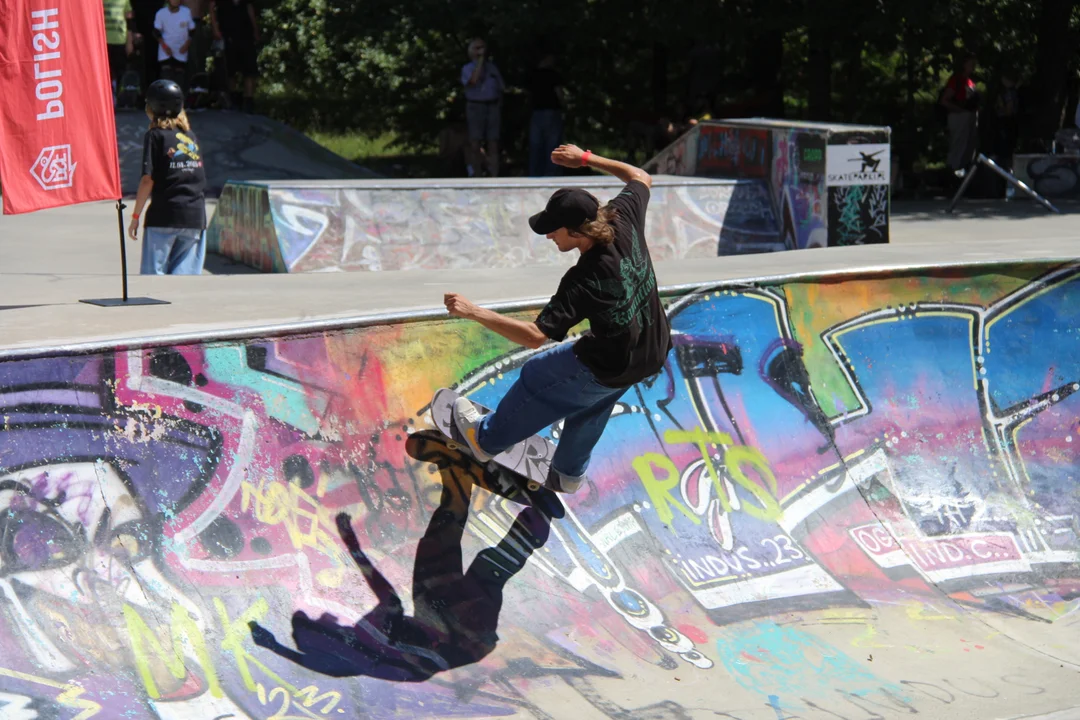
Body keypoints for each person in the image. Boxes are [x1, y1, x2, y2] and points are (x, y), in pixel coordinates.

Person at [444, 145, 669, 493]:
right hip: (650, 351)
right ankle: (568, 473)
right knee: (593, 401)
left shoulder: (583, 280)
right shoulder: (622, 216)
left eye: (554, 231)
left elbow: (535, 336)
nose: (549, 236)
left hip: (610, 362)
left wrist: (474, 312)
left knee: (539, 373)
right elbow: (640, 177)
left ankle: (485, 440)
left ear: (578, 232)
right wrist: (585, 159)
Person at [128, 79, 208, 275]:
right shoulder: (190, 136)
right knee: (183, 282)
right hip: (195, 217)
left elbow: (148, 179)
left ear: (151, 107)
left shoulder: (155, 135)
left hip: (164, 216)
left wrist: (136, 216)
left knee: (154, 283)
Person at [460, 38, 504, 178]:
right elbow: (473, 81)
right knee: (475, 142)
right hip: (475, 106)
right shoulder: (467, 68)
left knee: (493, 142)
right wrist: (479, 62)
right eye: (477, 48)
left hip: (492, 106)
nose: (481, 51)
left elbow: (501, 87)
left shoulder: (492, 67)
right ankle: (477, 175)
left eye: (483, 47)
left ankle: (494, 175)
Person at [210, 0, 261, 113]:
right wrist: (215, 28)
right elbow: (212, 8)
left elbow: (250, 9)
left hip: (246, 35)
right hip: (228, 35)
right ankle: (232, 99)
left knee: (249, 70)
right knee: (230, 70)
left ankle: (249, 101)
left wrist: (255, 29)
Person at [940, 52, 980, 176]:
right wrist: (959, 110)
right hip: (959, 117)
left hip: (970, 117)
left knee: (969, 146)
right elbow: (944, 100)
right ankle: (951, 173)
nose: (973, 66)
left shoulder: (970, 81)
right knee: (958, 145)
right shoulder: (956, 80)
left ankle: (963, 173)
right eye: (970, 63)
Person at [527, 52, 565, 176]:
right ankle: (552, 173)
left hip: (536, 112)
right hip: (551, 111)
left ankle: (534, 173)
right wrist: (563, 105)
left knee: (536, 144)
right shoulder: (553, 74)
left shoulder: (532, 75)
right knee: (552, 145)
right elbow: (559, 93)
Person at [154, 0, 196, 91]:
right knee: (166, 79)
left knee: (179, 80)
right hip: (166, 52)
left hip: (181, 51)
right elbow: (156, 32)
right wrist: (165, 47)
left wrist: (186, 45)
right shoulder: (161, 13)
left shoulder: (186, 12)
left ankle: (179, 102)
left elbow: (192, 31)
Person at [103, 0, 134, 105]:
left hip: (120, 40)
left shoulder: (124, 1)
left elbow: (129, 22)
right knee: (106, 71)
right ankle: (108, 96)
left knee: (120, 70)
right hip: (104, 41)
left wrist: (129, 42)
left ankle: (118, 97)